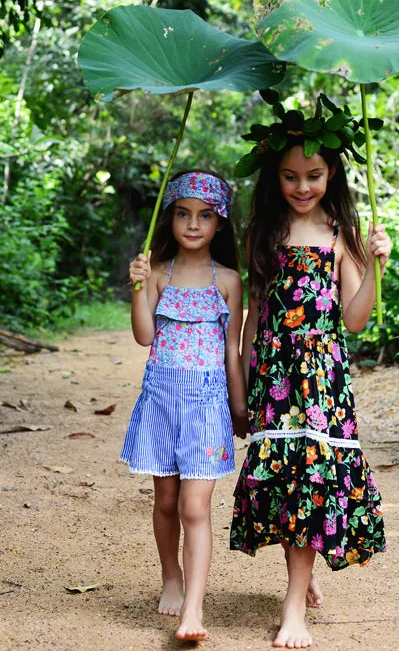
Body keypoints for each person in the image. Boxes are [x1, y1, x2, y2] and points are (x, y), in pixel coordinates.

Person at [230, 104, 391, 650]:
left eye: (314, 176)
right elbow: (252, 319)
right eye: (290, 176)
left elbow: (354, 319)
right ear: (275, 178)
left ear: (333, 175)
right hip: (275, 379)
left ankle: (293, 603)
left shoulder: (339, 231)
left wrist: (376, 268)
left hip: (322, 381)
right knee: (284, 480)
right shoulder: (266, 232)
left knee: (312, 482)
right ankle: (302, 573)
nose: (302, 187)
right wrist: (242, 391)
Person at [122, 170, 247, 643]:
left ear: (219, 224)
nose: (193, 224)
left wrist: (238, 408)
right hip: (160, 403)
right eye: (182, 213)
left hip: (208, 406)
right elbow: (144, 336)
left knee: (196, 507)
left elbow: (232, 350)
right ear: (170, 218)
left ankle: (193, 608)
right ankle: (170, 576)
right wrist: (137, 288)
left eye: (205, 215)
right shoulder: (156, 274)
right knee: (167, 501)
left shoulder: (230, 281)